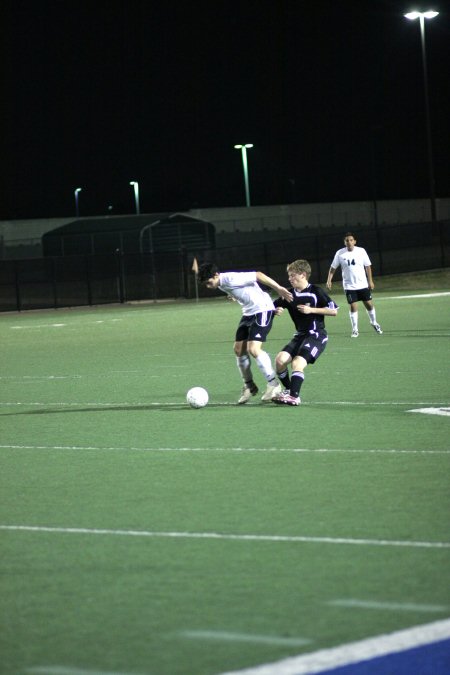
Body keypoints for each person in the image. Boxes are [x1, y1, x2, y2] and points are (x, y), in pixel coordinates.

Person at [198, 262, 293, 404]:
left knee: (253, 349)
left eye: (209, 282)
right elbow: (247, 291)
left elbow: (258, 275)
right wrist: (234, 296)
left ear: (216, 275)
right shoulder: (221, 283)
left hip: (262, 310)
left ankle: (273, 384)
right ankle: (249, 386)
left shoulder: (230, 278)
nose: (208, 286)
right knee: (238, 350)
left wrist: (279, 289)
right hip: (248, 313)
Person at [272, 259, 338, 406]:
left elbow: (334, 311)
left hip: (316, 335)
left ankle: (295, 397)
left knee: (297, 362)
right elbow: (269, 306)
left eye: (292, 275)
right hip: (300, 335)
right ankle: (289, 390)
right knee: (280, 360)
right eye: (289, 275)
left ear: (302, 275)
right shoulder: (288, 294)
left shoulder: (316, 292)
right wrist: (274, 310)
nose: (289, 279)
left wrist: (312, 310)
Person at [326, 232, 382, 338]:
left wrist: (370, 281)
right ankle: (355, 329)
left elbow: (368, 266)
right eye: (347, 240)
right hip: (349, 286)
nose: (349, 242)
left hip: (362, 284)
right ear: (344, 242)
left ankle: (374, 322)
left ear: (355, 241)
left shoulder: (361, 251)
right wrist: (329, 279)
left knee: (369, 305)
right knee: (353, 306)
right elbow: (333, 268)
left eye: (351, 240)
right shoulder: (340, 253)